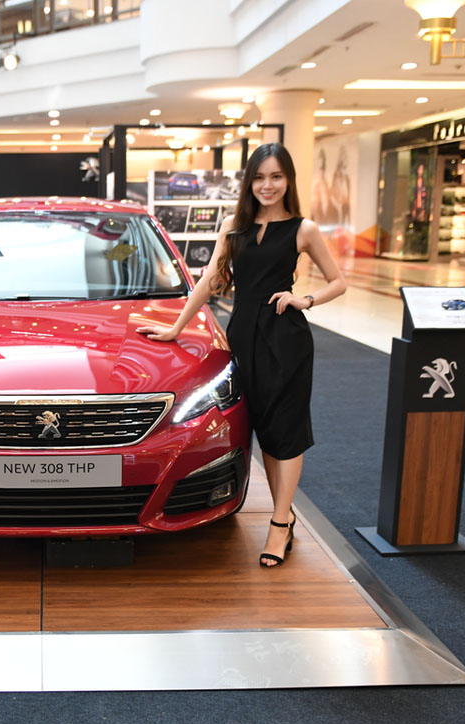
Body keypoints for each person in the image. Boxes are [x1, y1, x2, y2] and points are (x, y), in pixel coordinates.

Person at [137, 142, 346, 568]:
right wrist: (176, 328)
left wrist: (305, 299)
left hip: (285, 338)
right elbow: (210, 280)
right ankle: (285, 515)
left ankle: (279, 524)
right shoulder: (234, 227)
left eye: (276, 177)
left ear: (288, 180)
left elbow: (338, 281)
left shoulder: (303, 229)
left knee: (286, 430)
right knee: (264, 428)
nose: (268, 185)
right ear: (249, 182)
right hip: (243, 336)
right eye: (260, 177)